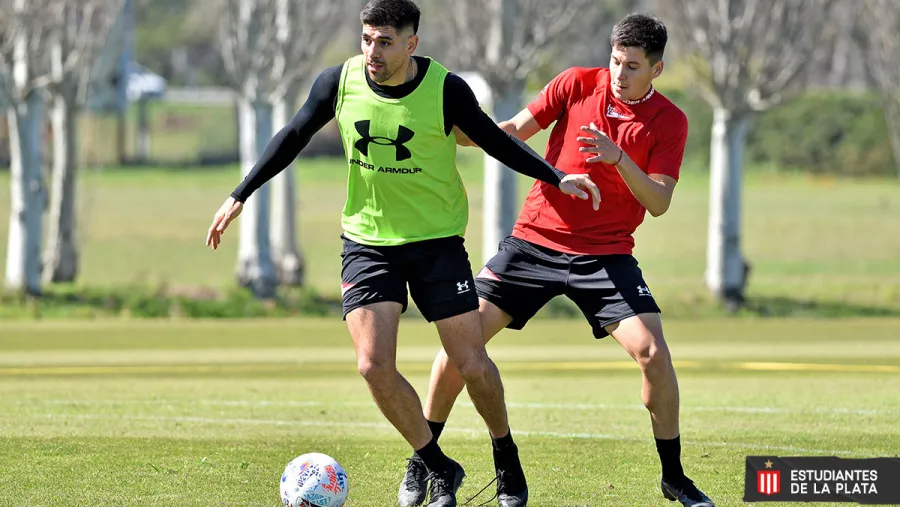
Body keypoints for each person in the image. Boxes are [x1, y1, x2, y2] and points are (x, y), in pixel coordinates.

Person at [204, 1, 600, 506]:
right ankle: (438, 465)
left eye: (385, 41)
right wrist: (241, 192)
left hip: (436, 244)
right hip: (368, 243)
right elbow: (293, 134)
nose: (373, 50)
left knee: (471, 363)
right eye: (367, 38)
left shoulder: (447, 90)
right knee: (373, 366)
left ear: (411, 44)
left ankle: (506, 457)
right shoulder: (338, 83)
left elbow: (495, 143)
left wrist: (557, 176)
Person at [401, 12, 716, 507]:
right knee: (461, 346)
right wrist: (471, 131)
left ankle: (673, 477)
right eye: (615, 61)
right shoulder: (575, 83)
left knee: (654, 355)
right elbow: (514, 130)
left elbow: (658, 202)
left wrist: (618, 159)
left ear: (656, 69)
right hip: (533, 243)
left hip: (606, 254)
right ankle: (425, 460)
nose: (619, 73)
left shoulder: (670, 121)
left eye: (633, 66)